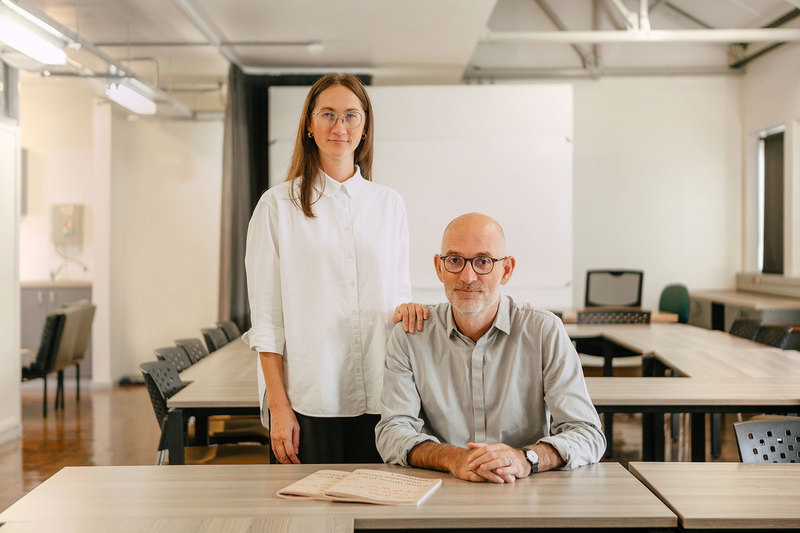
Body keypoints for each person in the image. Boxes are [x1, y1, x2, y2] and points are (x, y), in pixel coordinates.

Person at [244, 73, 427, 465]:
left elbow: (396, 296)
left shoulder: (389, 204)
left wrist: (407, 309)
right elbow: (266, 322)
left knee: (379, 519)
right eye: (327, 114)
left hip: (382, 398)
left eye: (351, 116)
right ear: (309, 125)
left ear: (365, 128)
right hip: (310, 400)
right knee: (310, 520)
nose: (339, 127)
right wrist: (279, 408)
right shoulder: (277, 206)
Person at [376, 213, 605, 483]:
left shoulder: (544, 331)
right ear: (439, 268)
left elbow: (587, 432)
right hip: (442, 491)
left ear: (506, 270)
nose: (468, 276)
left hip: (526, 490)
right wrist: (452, 458)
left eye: (483, 261)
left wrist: (525, 458)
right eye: (455, 261)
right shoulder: (411, 336)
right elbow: (392, 432)